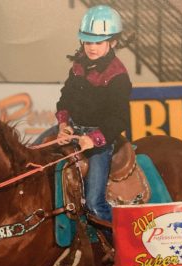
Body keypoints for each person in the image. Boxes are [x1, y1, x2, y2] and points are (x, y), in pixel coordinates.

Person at [53, 4, 132, 227]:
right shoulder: (78, 66)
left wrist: (94, 138)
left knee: (95, 204)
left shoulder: (118, 76)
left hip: (101, 141)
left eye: (98, 42)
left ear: (113, 42)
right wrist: (63, 125)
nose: (92, 47)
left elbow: (119, 118)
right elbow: (65, 98)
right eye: (88, 42)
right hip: (73, 130)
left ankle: (119, 248)